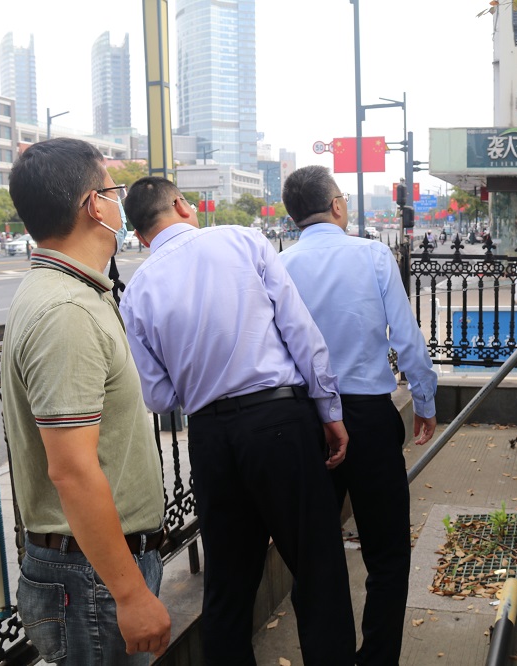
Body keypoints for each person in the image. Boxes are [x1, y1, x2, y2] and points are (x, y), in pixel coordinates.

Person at [119, 177, 356, 666]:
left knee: (227, 589)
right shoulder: (241, 240)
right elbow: (299, 331)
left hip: (211, 438)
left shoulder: (136, 291)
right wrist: (329, 410)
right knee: (318, 572)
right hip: (279, 421)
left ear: (140, 235)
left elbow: (159, 397)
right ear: (181, 205)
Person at [2, 138, 170, 664]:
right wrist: (130, 594)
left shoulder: (71, 292)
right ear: (95, 205)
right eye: (114, 191)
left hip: (92, 570)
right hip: (92, 580)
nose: (121, 203)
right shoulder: (66, 312)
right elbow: (72, 470)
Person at [280, 165, 439, 666]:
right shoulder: (371, 254)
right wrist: (425, 401)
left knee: (313, 557)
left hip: (305, 420)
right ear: (336, 205)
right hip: (369, 417)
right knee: (387, 554)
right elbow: (406, 337)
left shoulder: (279, 265)